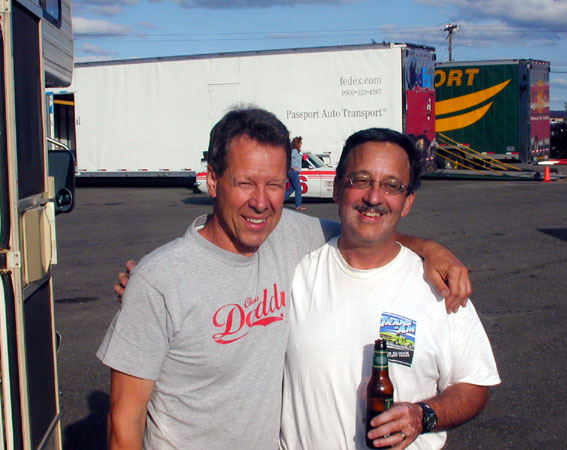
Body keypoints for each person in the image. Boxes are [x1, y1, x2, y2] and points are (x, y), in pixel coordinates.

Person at [102, 107, 471, 449]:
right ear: (213, 181)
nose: (261, 203)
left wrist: (431, 248)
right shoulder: (160, 281)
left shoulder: (289, 235)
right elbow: (123, 424)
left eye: (275, 185)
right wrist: (146, 283)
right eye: (245, 183)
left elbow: (365, 229)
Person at [280, 128, 500, 450]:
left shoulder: (441, 287)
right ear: (337, 189)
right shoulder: (296, 275)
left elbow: (474, 383)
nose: (373, 197)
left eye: (391, 185)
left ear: (407, 202)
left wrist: (423, 415)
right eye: (361, 180)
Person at [284, 136, 306, 210]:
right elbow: (287, 158)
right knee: (298, 188)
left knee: (291, 188)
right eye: (300, 142)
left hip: (292, 172)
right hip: (293, 172)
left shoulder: (296, 151)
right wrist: (291, 167)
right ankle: (298, 205)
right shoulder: (294, 151)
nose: (301, 144)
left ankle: (280, 200)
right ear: (297, 143)